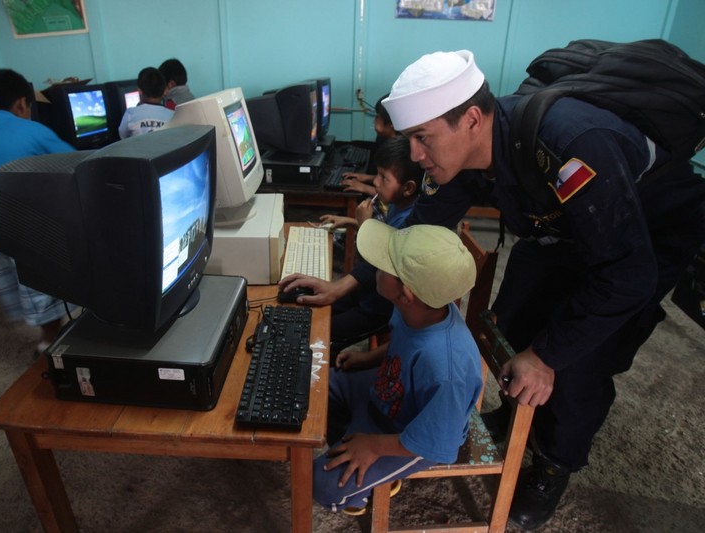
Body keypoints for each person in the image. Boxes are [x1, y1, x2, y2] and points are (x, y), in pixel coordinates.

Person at [378, 50, 705, 529]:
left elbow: (625, 274)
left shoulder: (573, 145)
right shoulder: (466, 152)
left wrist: (547, 356)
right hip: (559, 228)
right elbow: (419, 232)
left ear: (471, 118)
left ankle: (554, 465)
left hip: (642, 235)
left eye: (422, 139)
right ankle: (516, 421)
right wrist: (357, 279)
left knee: (576, 361)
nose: (415, 156)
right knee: (510, 326)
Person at [312, 220, 481, 513]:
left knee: (321, 484)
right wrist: (367, 358)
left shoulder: (448, 370)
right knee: (315, 382)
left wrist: (375, 446)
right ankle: (357, 443)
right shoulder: (422, 308)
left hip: (413, 436)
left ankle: (366, 481)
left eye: (384, 265)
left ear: (407, 293)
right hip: (388, 392)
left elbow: (438, 440)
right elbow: (404, 342)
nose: (375, 265)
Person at [0, 69, 76, 355]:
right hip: (27, 232)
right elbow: (75, 166)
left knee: (14, 288)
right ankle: (49, 342)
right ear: (22, 103)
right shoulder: (34, 131)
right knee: (43, 290)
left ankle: (43, 334)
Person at [279, 136, 420, 361]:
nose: (375, 182)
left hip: (379, 307)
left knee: (318, 331)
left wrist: (364, 224)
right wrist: (351, 221)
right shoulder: (399, 205)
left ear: (408, 188)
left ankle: (328, 372)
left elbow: (380, 257)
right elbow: (385, 235)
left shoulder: (412, 220)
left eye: (384, 178)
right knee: (305, 309)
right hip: (366, 290)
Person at [341, 93, 398, 197]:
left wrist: (364, 188)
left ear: (392, 122)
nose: (374, 120)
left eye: (378, 116)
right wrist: (366, 178)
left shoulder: (400, 153)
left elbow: (395, 195)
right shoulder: (388, 141)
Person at [117, 67, 174, 139]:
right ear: (165, 91)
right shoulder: (173, 115)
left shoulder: (130, 113)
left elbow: (122, 135)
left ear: (140, 91)